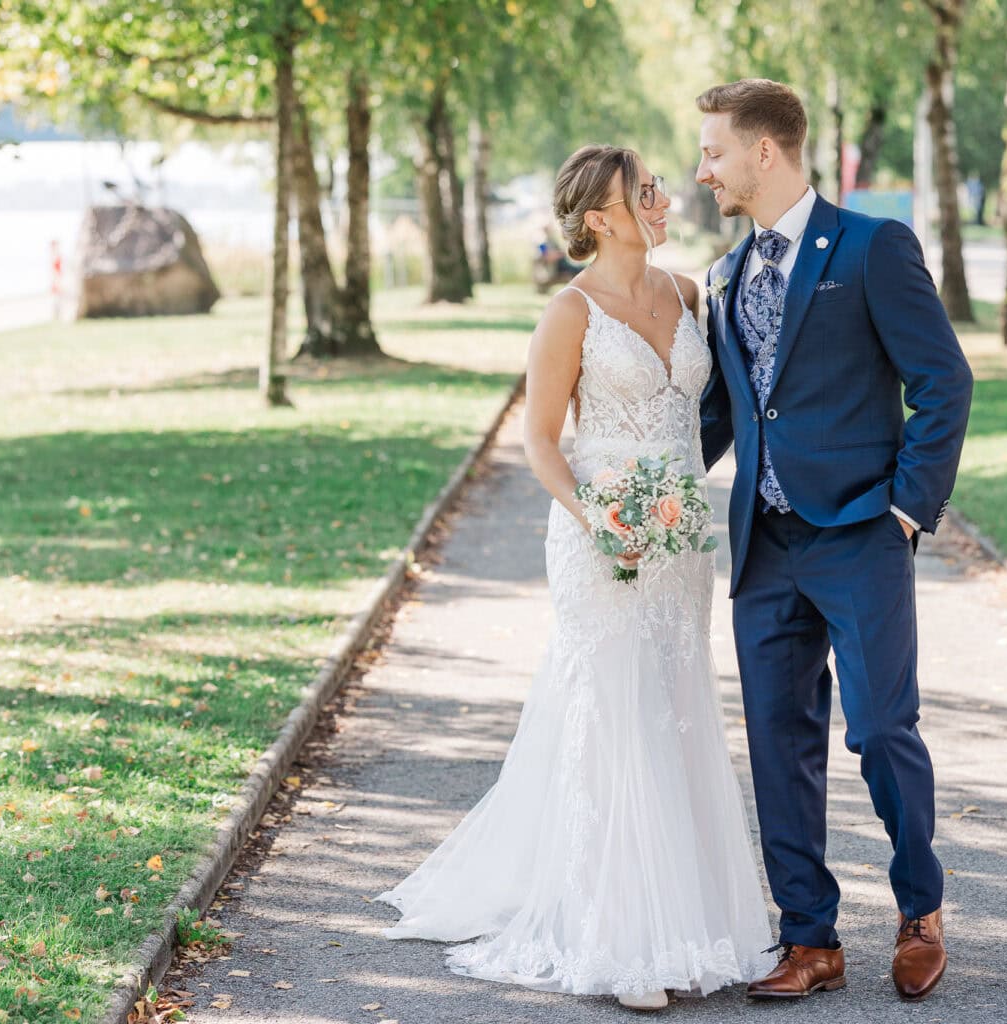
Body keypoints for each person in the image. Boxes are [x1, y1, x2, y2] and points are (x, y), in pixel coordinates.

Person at [374, 145, 772, 1012]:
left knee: (673, 701)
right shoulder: (568, 313)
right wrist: (599, 515)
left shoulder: (691, 295)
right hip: (597, 532)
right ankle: (620, 936)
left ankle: (687, 922)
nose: (665, 198)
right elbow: (541, 443)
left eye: (661, 186)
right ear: (600, 216)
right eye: (646, 191)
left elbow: (711, 413)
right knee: (614, 709)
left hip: (679, 539)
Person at [694, 78, 974, 1002]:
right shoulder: (725, 273)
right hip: (763, 547)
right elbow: (726, 413)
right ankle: (808, 938)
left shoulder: (872, 247)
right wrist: (638, 493)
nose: (705, 171)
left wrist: (904, 506)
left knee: (884, 729)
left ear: (763, 152)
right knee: (777, 741)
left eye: (715, 152)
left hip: (860, 532)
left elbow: (944, 382)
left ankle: (920, 910)